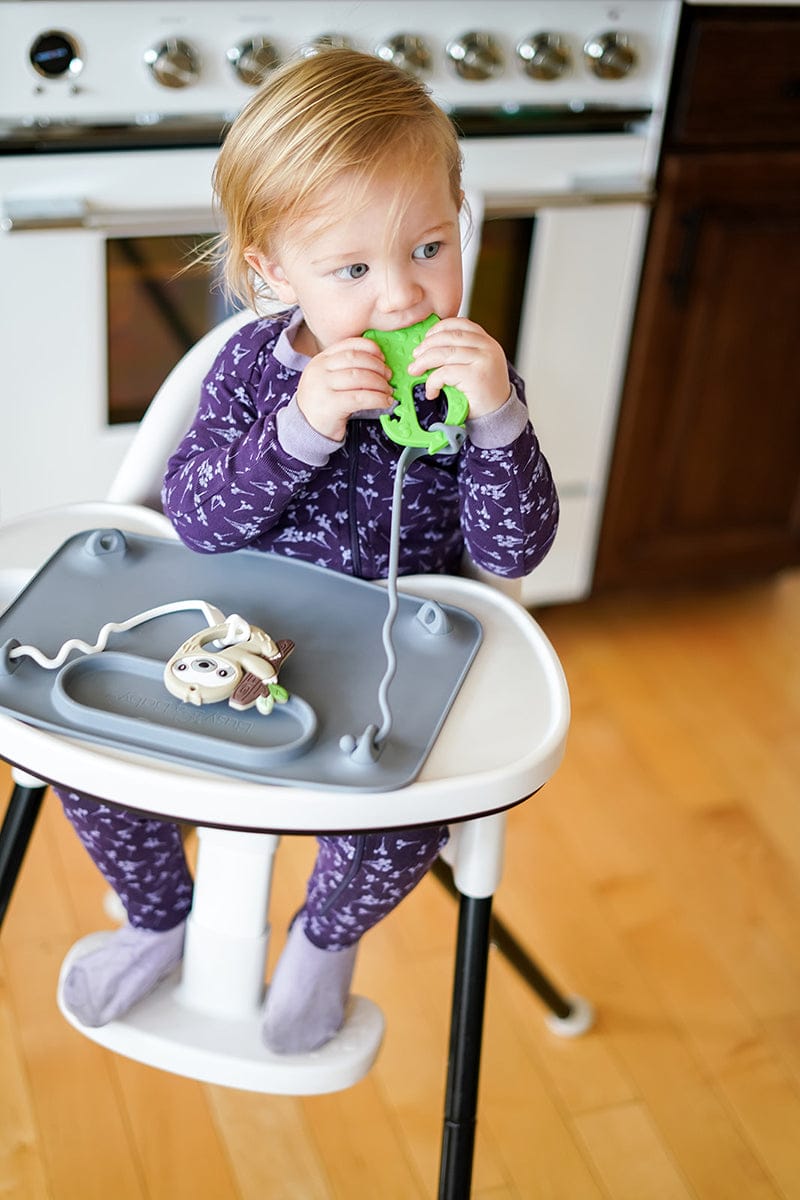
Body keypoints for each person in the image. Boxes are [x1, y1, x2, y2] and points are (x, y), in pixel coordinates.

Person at [55, 47, 559, 1054]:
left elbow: (513, 549)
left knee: (407, 821)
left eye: (428, 247)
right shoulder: (252, 368)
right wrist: (299, 428)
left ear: (458, 219)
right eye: (354, 270)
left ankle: (324, 939)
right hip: (230, 625)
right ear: (274, 273)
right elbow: (196, 518)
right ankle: (158, 916)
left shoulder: (471, 382)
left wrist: (498, 417)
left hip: (394, 644)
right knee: (90, 765)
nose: (404, 297)